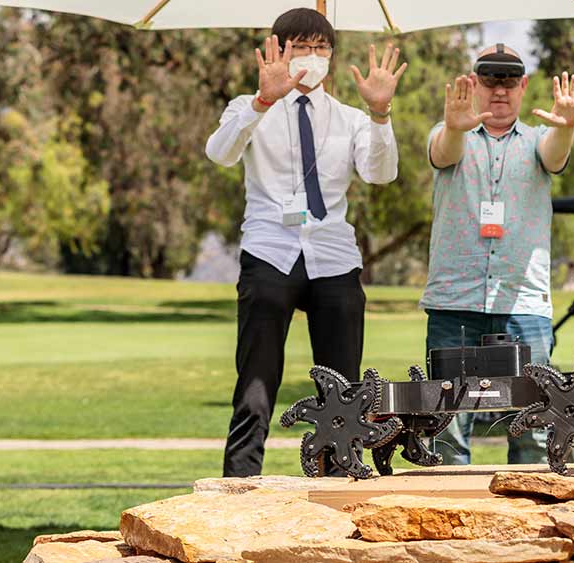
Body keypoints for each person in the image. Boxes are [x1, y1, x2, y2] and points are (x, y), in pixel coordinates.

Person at [205, 7, 407, 477]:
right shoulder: (247, 107)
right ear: (277, 50)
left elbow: (381, 174)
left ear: (332, 58)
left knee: (342, 387)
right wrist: (261, 101)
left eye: (321, 49)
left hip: (333, 256)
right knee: (256, 380)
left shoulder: (352, 117)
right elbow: (220, 153)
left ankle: (338, 480)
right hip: (269, 253)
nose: (311, 57)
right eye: (300, 48)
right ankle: (240, 484)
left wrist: (380, 113)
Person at [420, 44, 574, 464]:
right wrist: (455, 128)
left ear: (523, 85)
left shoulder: (538, 140)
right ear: (474, 83)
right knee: (447, 432)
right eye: (490, 80)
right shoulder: (447, 132)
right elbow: (445, 153)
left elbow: (555, 156)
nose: (500, 90)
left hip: (523, 304)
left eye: (509, 80)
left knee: (532, 431)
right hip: (454, 302)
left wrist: (567, 127)